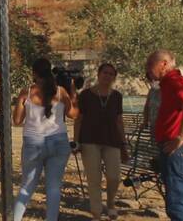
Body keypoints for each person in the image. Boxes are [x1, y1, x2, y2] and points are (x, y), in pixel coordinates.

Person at [13, 58, 79, 221]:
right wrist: (73, 92)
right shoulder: (61, 92)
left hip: (33, 142)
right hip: (58, 141)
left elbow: (16, 121)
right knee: (54, 188)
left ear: (34, 73)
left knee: (26, 187)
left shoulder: (26, 92)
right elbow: (74, 114)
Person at [74, 63, 128, 221]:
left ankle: (111, 204)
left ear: (114, 77)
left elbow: (119, 121)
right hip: (89, 140)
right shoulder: (85, 95)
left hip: (112, 140)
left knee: (114, 176)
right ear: (98, 74)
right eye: (105, 72)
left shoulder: (117, 96)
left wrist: (124, 144)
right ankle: (96, 213)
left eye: (111, 74)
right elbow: (79, 119)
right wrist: (76, 141)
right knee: (94, 178)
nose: (108, 76)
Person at [146, 50, 183, 221]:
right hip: (177, 149)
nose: (148, 69)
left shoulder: (175, 82)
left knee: (178, 203)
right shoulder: (167, 85)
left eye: (150, 64)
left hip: (177, 151)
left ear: (163, 64)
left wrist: (180, 138)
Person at [141, 71, 161, 138]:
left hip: (163, 126)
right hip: (153, 125)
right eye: (150, 79)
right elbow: (146, 106)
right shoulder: (152, 91)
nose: (153, 81)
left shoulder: (166, 90)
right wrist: (145, 121)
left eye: (155, 79)